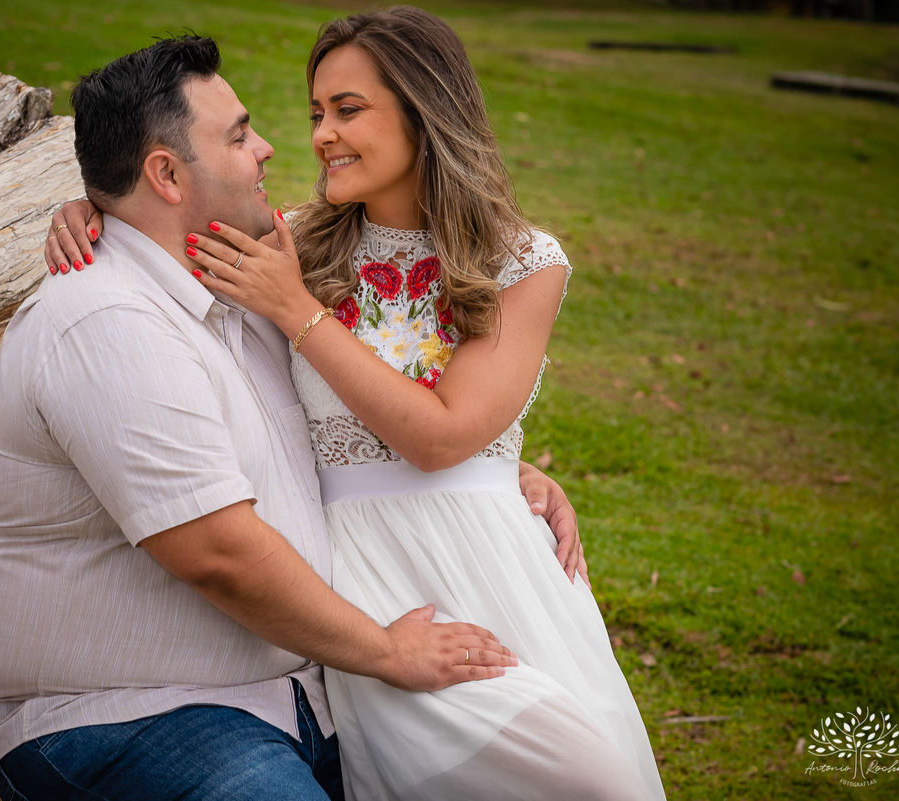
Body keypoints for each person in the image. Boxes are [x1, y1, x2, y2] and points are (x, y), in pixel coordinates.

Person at [49, 7, 667, 801]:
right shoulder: (291, 242)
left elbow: (443, 439)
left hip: (499, 567)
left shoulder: (523, 260)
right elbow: (158, 210)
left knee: (598, 781)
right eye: (316, 113)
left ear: (424, 110)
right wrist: (86, 210)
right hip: (368, 587)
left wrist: (298, 313)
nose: (320, 136)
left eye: (348, 110)